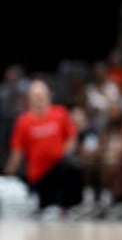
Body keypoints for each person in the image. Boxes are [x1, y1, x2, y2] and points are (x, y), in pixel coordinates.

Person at [4, 78, 83, 218]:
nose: (39, 99)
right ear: (29, 99)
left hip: (59, 168)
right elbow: (17, 152)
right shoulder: (23, 122)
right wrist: (8, 174)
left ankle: (68, 207)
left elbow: (71, 136)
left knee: (73, 166)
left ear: (48, 96)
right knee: (45, 204)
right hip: (39, 175)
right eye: (35, 96)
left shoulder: (60, 113)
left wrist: (64, 154)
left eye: (41, 95)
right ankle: (48, 204)